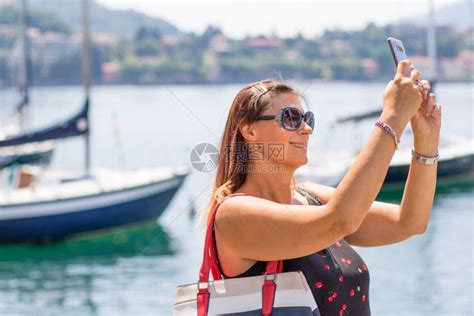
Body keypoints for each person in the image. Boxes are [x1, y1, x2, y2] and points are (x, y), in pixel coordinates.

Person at [206, 60, 441, 315]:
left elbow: (409, 222)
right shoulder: (234, 214)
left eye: (307, 119)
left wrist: (426, 144)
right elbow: (339, 220)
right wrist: (393, 117)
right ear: (250, 130)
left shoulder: (312, 197)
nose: (306, 129)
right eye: (291, 118)